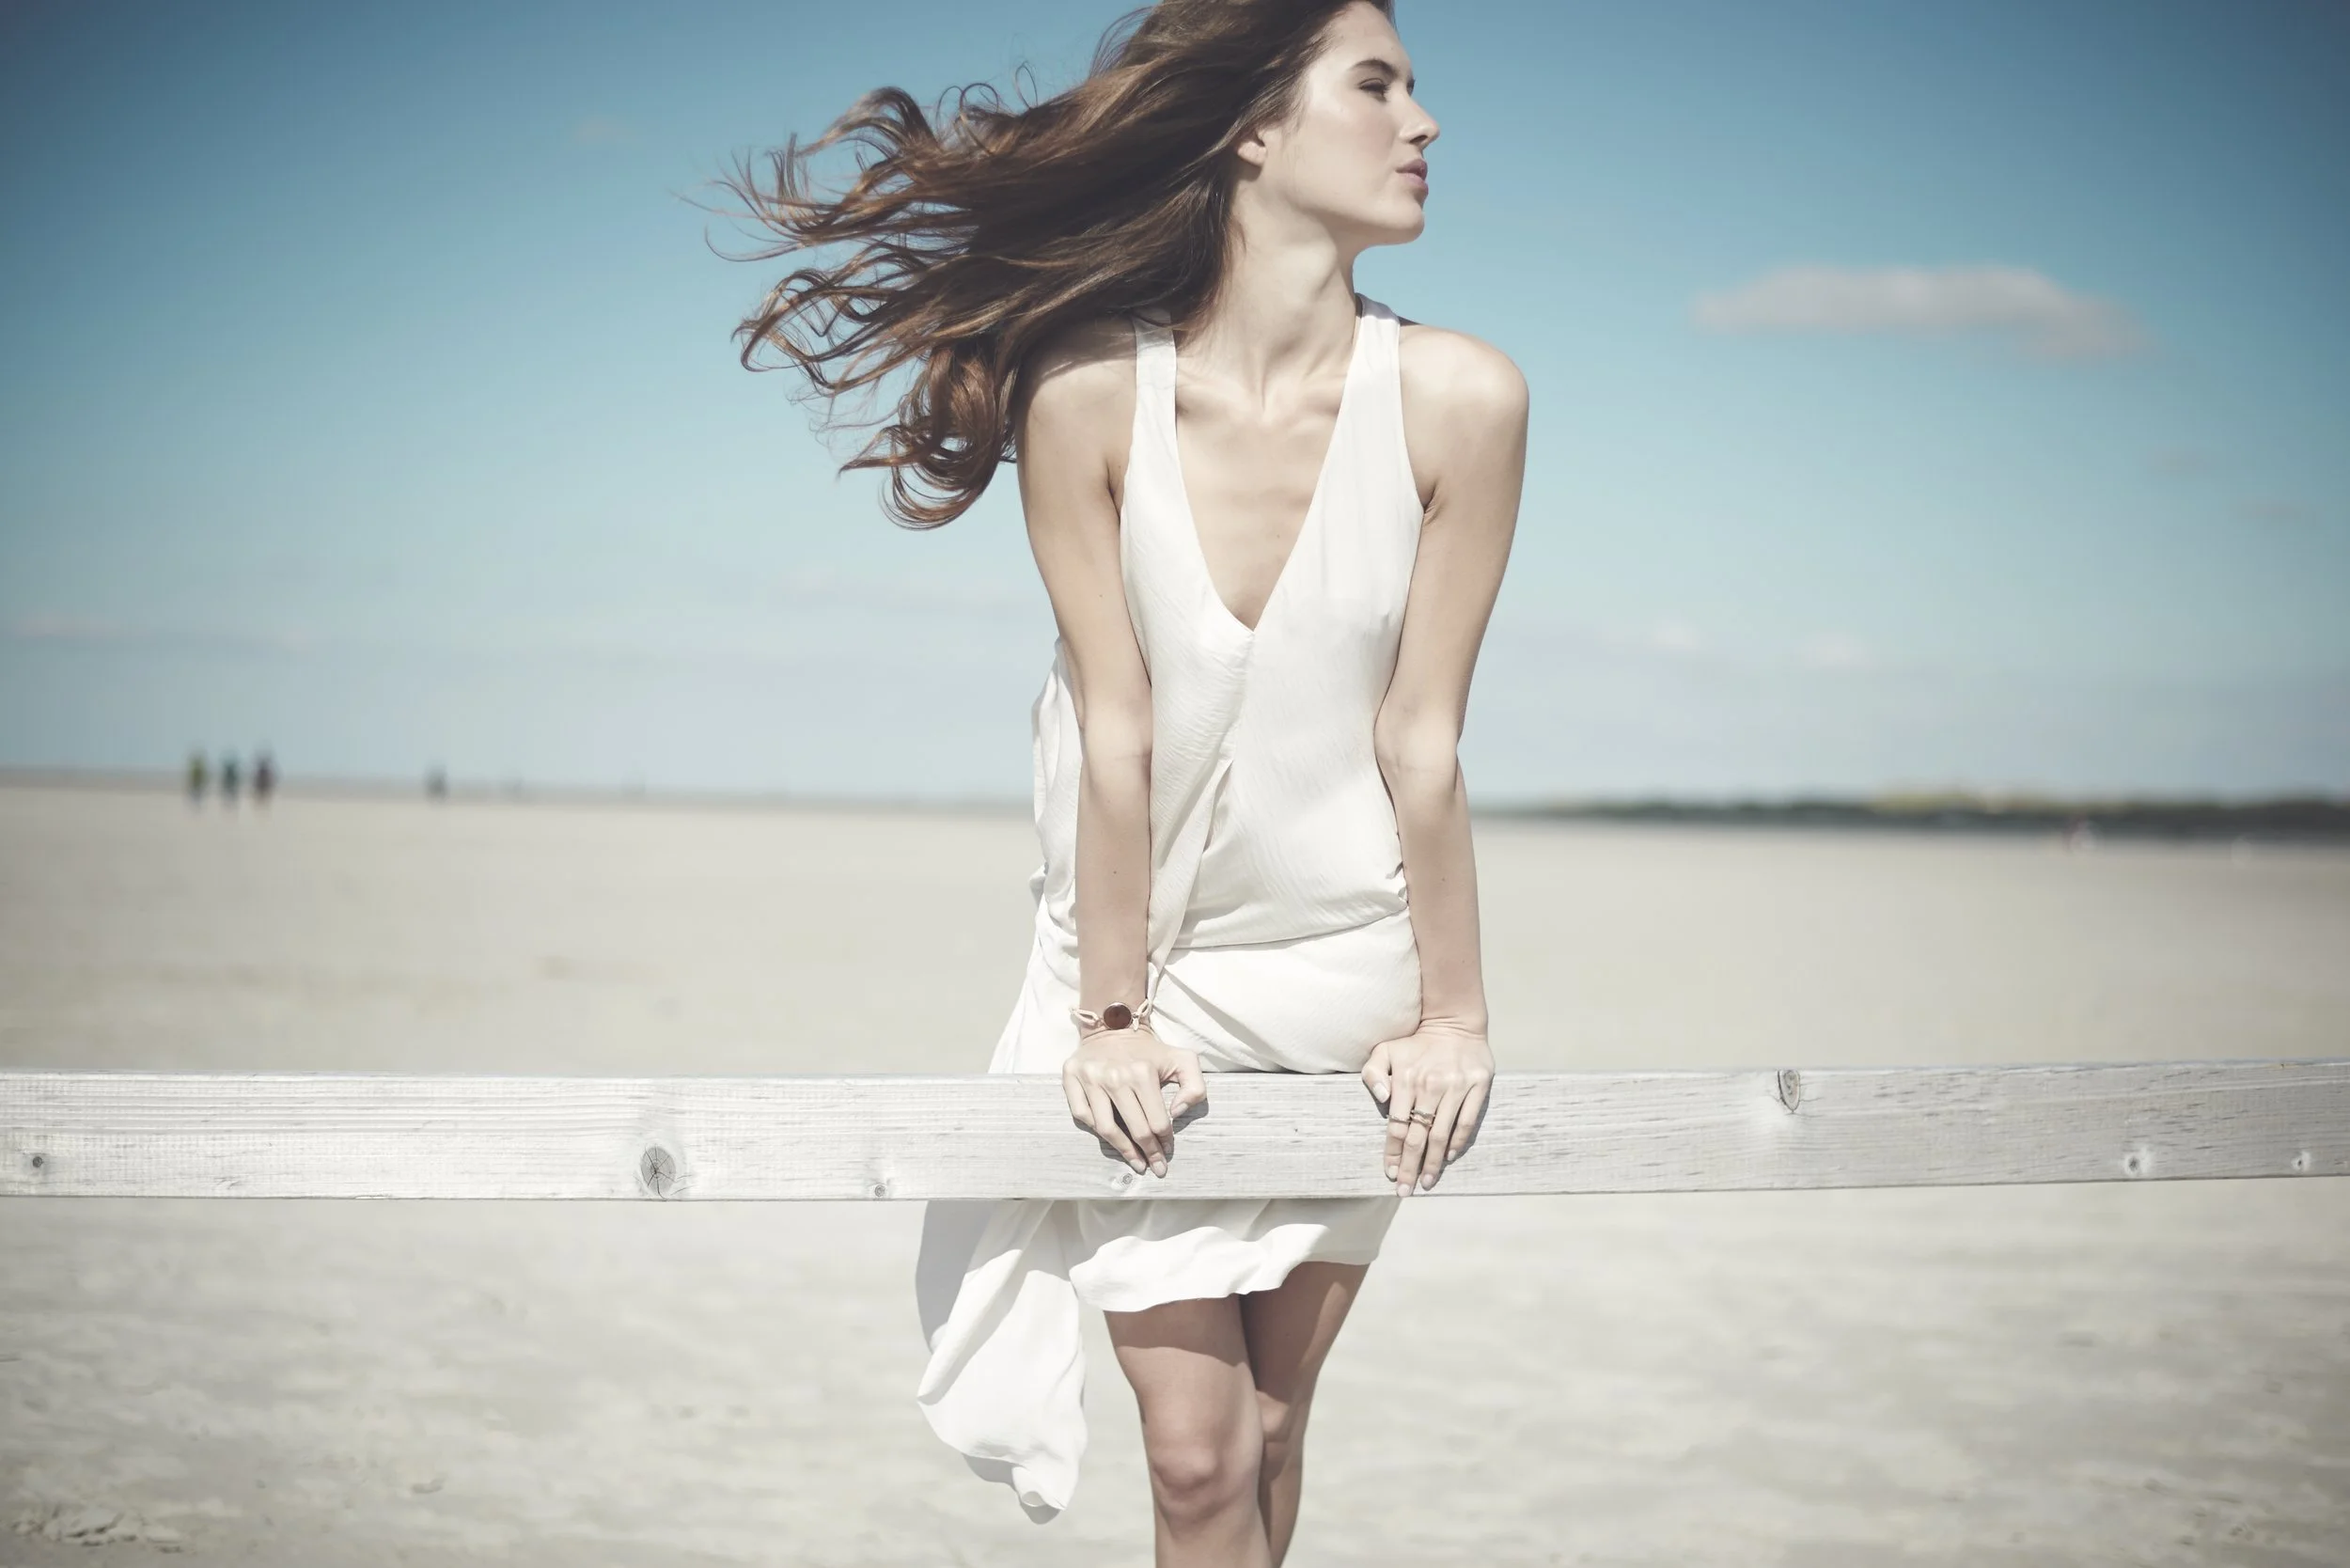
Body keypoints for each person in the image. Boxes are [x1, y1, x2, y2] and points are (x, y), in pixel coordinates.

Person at [728, 4, 1526, 1561]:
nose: (1426, 122)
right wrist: (1104, 1016)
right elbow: (1116, 732)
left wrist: (1455, 1017)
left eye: (1418, 88)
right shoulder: (1088, 394)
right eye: (1379, 85)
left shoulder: (1462, 401)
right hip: (1147, 986)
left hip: (1348, 987)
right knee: (1193, 1458)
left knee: (1277, 1432)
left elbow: (1421, 741)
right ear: (1249, 127)